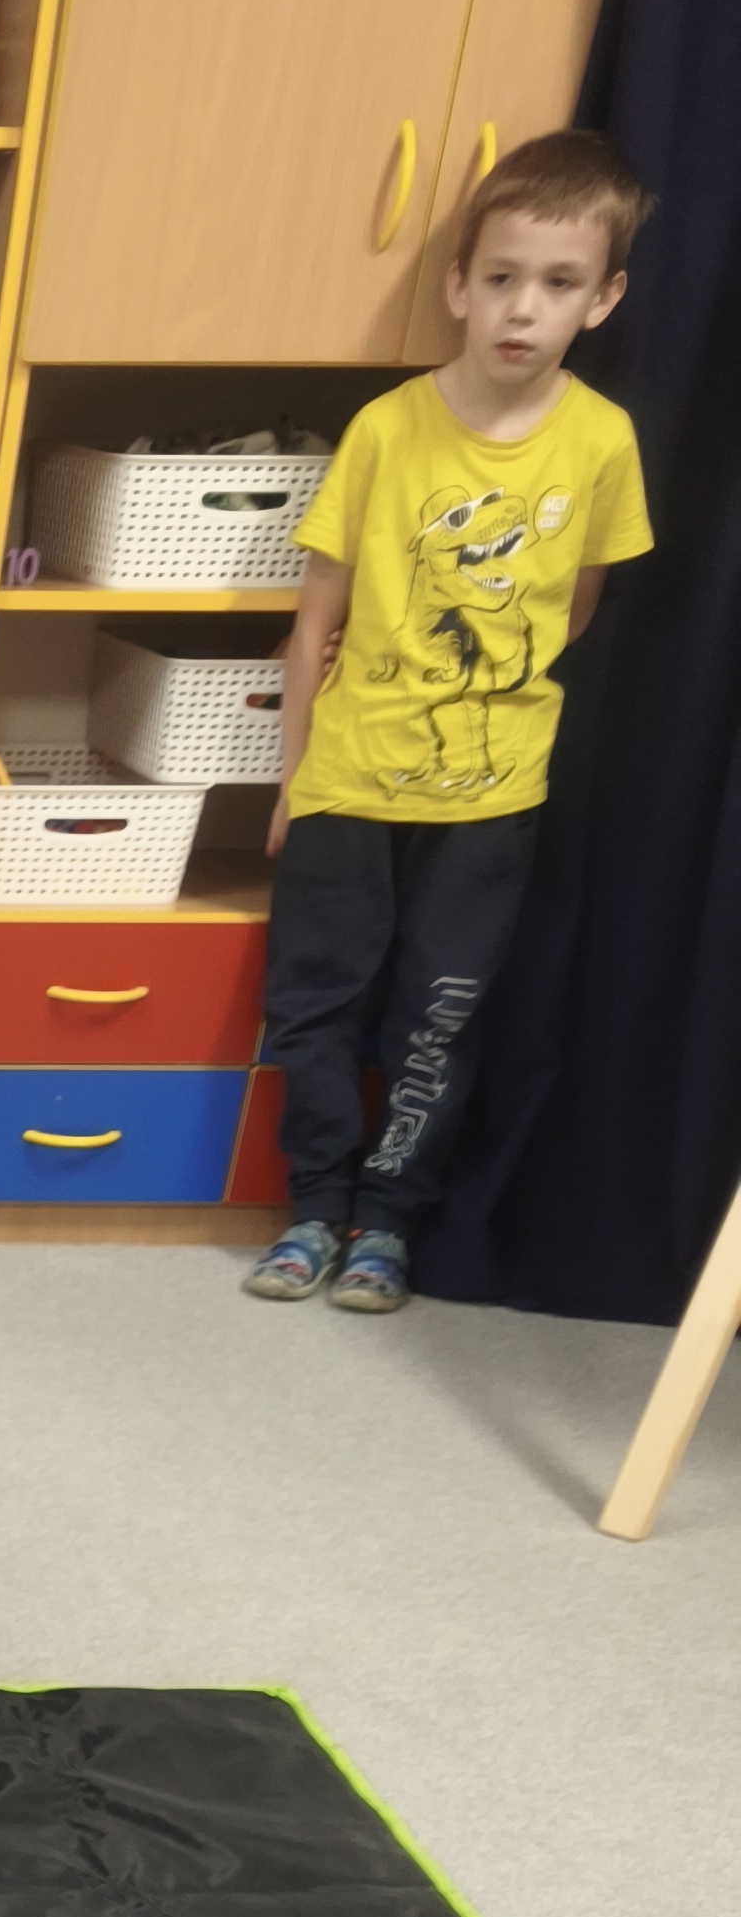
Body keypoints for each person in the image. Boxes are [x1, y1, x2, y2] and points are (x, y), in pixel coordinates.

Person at [246, 128, 653, 1315]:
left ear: (604, 298)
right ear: (458, 285)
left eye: (559, 283)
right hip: (349, 779)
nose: (524, 308)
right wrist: (293, 777)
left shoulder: (602, 441)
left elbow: (575, 607)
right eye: (503, 277)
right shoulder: (387, 428)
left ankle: (387, 1221)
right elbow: (313, 620)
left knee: (440, 1012)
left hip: (490, 796)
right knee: (315, 1002)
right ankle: (315, 1205)